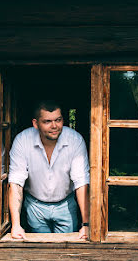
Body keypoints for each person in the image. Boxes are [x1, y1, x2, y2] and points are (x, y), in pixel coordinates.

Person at [8, 100, 90, 240]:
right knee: (38, 252)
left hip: (66, 203)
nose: (54, 126)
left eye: (58, 120)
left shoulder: (75, 140)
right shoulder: (22, 140)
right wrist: (16, 224)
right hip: (35, 205)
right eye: (47, 121)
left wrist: (86, 224)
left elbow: (81, 182)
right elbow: (16, 183)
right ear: (35, 124)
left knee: (67, 251)